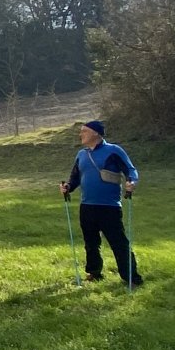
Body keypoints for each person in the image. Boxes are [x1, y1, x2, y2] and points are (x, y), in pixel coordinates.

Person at [60, 119, 143, 287]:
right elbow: (75, 178)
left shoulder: (114, 151)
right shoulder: (81, 154)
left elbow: (130, 170)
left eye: (84, 131)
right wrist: (68, 187)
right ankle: (94, 272)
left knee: (118, 242)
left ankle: (131, 278)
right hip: (87, 206)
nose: (80, 134)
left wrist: (132, 182)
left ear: (96, 133)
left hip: (109, 206)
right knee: (90, 242)